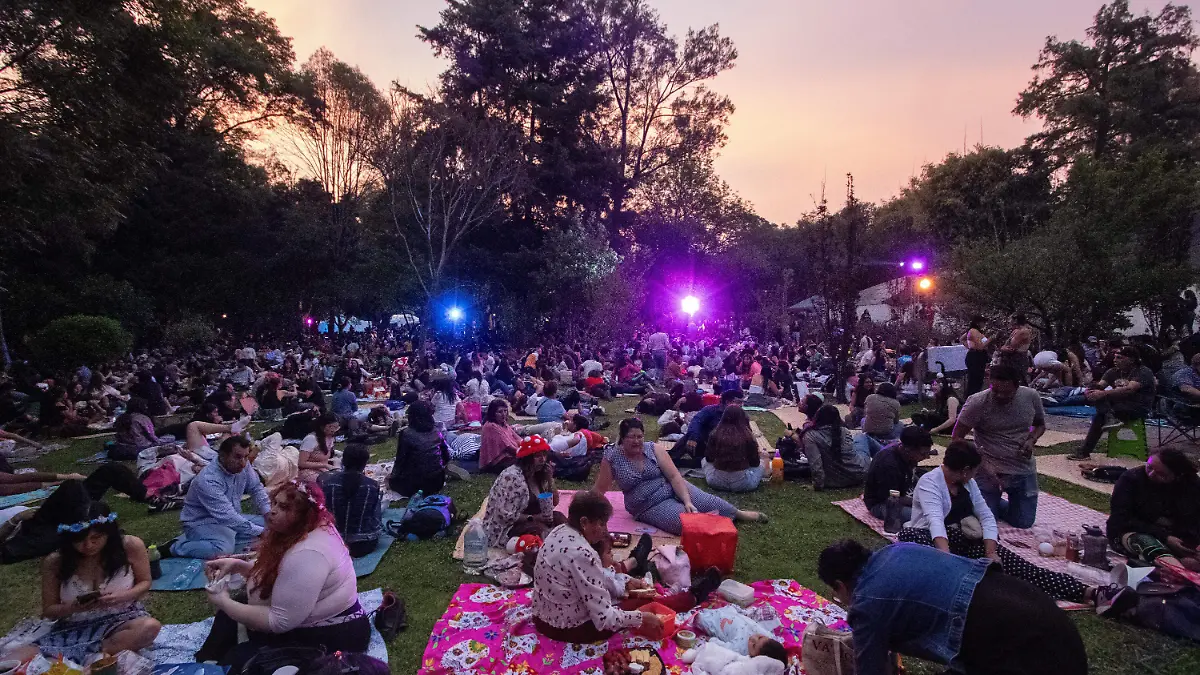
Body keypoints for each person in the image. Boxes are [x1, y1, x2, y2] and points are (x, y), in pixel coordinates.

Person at [816, 539, 1087, 675]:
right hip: (1047, 619)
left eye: (836, 593)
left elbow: (870, 670)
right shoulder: (898, 550)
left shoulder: (868, 602)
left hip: (1032, 653)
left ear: (840, 585)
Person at [195, 480, 369, 673]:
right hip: (309, 620)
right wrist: (239, 566)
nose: (273, 511)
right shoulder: (311, 529)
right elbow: (283, 572)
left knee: (240, 657)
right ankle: (206, 663)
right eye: (274, 503)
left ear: (305, 515)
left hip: (331, 636)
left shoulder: (309, 552)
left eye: (284, 507)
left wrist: (223, 601)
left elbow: (279, 621)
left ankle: (213, 663)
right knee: (231, 615)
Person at [900, 440, 1096, 604]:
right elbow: (935, 523)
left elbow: (986, 516)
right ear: (966, 470)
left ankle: (1086, 592)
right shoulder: (929, 482)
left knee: (1021, 567)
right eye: (975, 471)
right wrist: (947, 560)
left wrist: (991, 552)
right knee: (912, 539)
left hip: (961, 538)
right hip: (932, 541)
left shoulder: (968, 483)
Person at [0, 502, 160, 665]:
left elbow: (145, 582)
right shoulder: (56, 562)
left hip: (122, 618)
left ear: (108, 533)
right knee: (10, 660)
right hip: (73, 626)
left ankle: (71, 657)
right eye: (79, 540)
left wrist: (122, 596)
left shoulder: (130, 545)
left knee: (149, 627)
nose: (88, 546)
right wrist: (73, 608)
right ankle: (91, 657)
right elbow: (49, 611)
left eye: (96, 538)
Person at [592, 418, 765, 536]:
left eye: (640, 436)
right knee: (685, 523)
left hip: (671, 487)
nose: (637, 441)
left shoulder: (653, 449)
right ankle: (715, 526)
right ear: (622, 438)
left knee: (708, 501)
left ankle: (739, 514)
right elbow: (600, 489)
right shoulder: (613, 458)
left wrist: (687, 500)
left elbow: (675, 476)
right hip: (648, 505)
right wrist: (585, 507)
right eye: (632, 437)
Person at [531, 491, 663, 643]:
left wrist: (625, 581)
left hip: (541, 618)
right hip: (567, 629)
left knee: (628, 596)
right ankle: (689, 597)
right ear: (584, 523)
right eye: (601, 524)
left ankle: (634, 564)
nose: (606, 530)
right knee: (644, 603)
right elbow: (605, 620)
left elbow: (592, 577)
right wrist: (641, 618)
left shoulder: (558, 531)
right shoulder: (583, 554)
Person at [951, 365, 1044, 528]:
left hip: (1022, 469)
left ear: (1017, 385)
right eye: (995, 390)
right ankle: (984, 500)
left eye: (1006, 393)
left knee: (1023, 522)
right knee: (987, 523)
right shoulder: (977, 402)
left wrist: (1031, 439)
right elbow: (957, 436)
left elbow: (1040, 425)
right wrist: (981, 462)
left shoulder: (1031, 396)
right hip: (987, 470)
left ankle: (992, 502)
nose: (1000, 396)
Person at [168, 436, 271, 559]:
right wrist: (261, 532)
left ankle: (233, 534)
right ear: (222, 456)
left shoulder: (244, 466)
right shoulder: (208, 480)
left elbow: (256, 488)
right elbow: (227, 516)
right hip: (202, 523)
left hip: (231, 517)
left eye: (246, 457)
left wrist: (269, 515)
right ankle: (175, 546)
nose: (243, 463)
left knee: (272, 524)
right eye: (237, 457)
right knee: (223, 549)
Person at [1107, 448, 1200, 572]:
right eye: (1149, 467)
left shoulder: (1191, 485)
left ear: (1177, 475)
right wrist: (1164, 537)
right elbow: (1121, 518)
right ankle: (1178, 570)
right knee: (1145, 542)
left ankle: (1183, 563)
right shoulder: (1131, 479)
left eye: (1161, 474)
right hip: (1135, 532)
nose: (1151, 474)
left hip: (1178, 537)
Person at [1068, 346, 1157, 461]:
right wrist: (1091, 390)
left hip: (1137, 407)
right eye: (1115, 357)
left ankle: (1084, 452)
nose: (1115, 360)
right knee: (1097, 394)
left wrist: (1103, 394)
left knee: (1100, 415)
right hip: (1115, 407)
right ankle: (1109, 416)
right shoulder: (1113, 371)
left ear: (1131, 360)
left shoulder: (1143, 371)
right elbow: (1101, 385)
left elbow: (1129, 389)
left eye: (1119, 358)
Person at [481, 435, 567, 547]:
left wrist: (550, 480)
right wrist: (534, 518)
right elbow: (504, 515)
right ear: (527, 458)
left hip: (535, 517)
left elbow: (554, 503)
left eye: (544, 455)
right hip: (510, 526)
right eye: (537, 456)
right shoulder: (513, 478)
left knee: (560, 518)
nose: (542, 459)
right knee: (540, 531)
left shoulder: (539, 474)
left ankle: (568, 542)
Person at [319, 443, 382, 558]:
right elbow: (374, 513)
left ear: (343, 461)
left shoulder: (326, 483)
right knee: (376, 503)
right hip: (365, 544)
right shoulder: (372, 485)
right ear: (364, 464)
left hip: (334, 543)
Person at [862, 427, 932, 522]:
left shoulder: (907, 455)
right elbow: (892, 497)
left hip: (901, 491)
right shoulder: (888, 464)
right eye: (923, 454)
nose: (927, 457)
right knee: (926, 517)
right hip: (882, 504)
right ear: (908, 449)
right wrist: (920, 503)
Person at [671, 389, 744, 468]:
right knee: (689, 436)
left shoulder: (740, 415)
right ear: (728, 402)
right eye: (738, 402)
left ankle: (690, 463)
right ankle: (670, 459)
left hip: (724, 451)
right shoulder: (710, 410)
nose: (741, 405)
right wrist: (694, 437)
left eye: (742, 402)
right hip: (706, 445)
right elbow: (696, 421)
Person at [389, 401, 449, 497]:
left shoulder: (406, 434)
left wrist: (392, 478)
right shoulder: (437, 431)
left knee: (392, 482)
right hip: (437, 482)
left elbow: (400, 461)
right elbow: (446, 456)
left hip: (415, 485)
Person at [702, 405, 766, 492]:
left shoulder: (715, 434)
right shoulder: (748, 436)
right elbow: (755, 463)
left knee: (704, 460)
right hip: (743, 484)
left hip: (716, 482)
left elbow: (709, 458)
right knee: (763, 460)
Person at [802, 405, 868, 489]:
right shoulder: (845, 431)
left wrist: (817, 485)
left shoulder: (810, 436)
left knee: (861, 438)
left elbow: (816, 463)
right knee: (862, 437)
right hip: (858, 475)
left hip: (834, 481)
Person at [298, 412, 339, 482]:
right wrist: (324, 465)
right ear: (322, 426)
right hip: (308, 471)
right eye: (330, 427)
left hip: (323, 469)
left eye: (335, 427)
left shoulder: (330, 437)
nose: (333, 430)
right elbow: (301, 463)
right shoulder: (311, 439)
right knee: (330, 481)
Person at [997, 314, 1033, 383]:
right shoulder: (1015, 331)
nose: (1009, 321)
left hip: (1018, 359)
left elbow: (1011, 348)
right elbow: (1006, 345)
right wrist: (1003, 348)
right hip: (1010, 359)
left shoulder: (1024, 331)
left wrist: (1003, 348)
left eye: (1010, 319)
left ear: (1016, 320)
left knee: (1017, 380)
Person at [961, 316, 990, 397]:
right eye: (983, 322)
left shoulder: (979, 332)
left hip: (980, 356)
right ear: (978, 323)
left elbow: (962, 339)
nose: (984, 324)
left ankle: (974, 396)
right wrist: (991, 339)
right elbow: (980, 346)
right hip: (975, 356)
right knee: (974, 379)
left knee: (979, 379)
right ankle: (970, 397)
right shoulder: (973, 331)